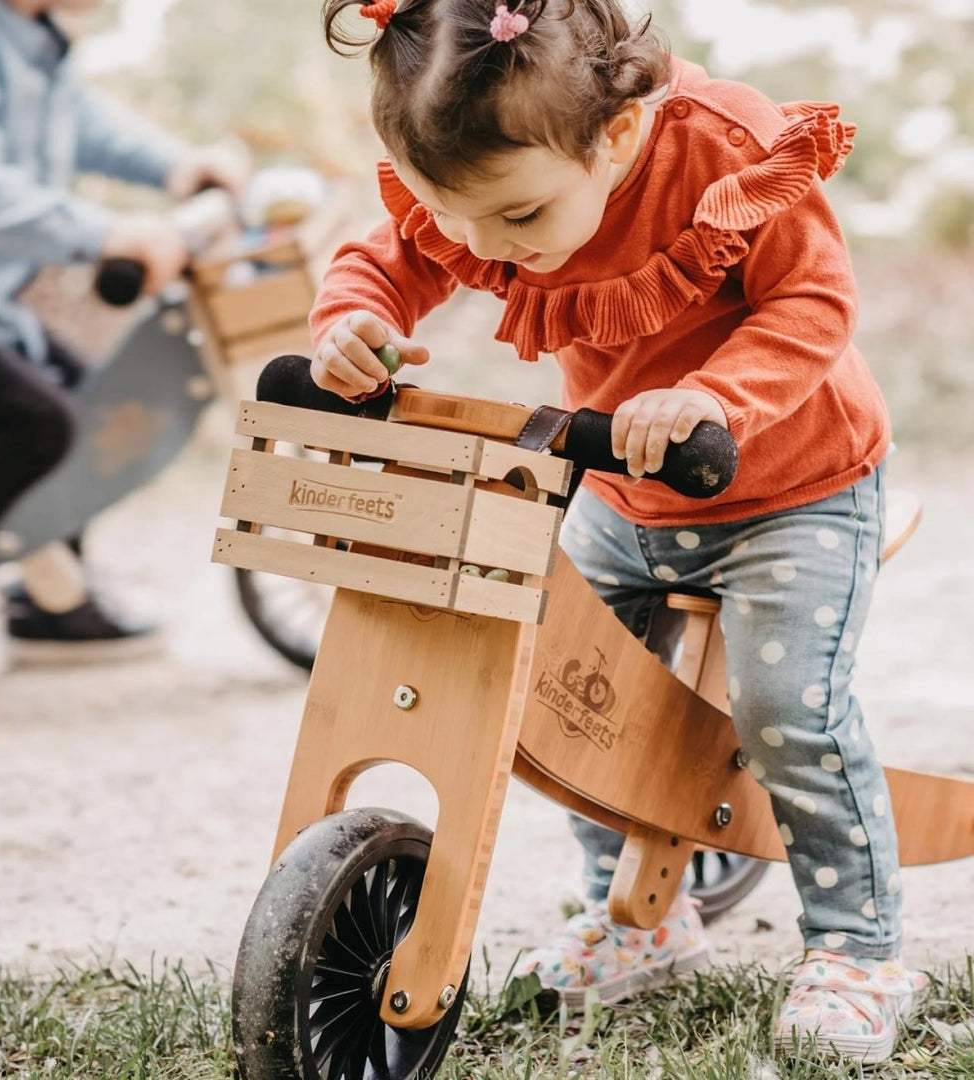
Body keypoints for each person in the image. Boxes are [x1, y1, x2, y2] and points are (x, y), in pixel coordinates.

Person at [306, 0, 927, 1064]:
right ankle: (637, 916)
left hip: (795, 486)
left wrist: (714, 399)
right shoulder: (495, 186)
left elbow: (813, 304)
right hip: (628, 494)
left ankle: (859, 951)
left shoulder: (722, 151)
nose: (489, 253)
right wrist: (352, 320)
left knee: (789, 713)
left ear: (620, 138)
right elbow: (393, 257)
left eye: (518, 222)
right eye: (454, 219)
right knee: (568, 695)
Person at [0, 0, 250, 705]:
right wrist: (103, 231)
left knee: (96, 402)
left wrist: (177, 165)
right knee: (37, 420)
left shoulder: (29, 41)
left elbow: (84, 126)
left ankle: (48, 606)